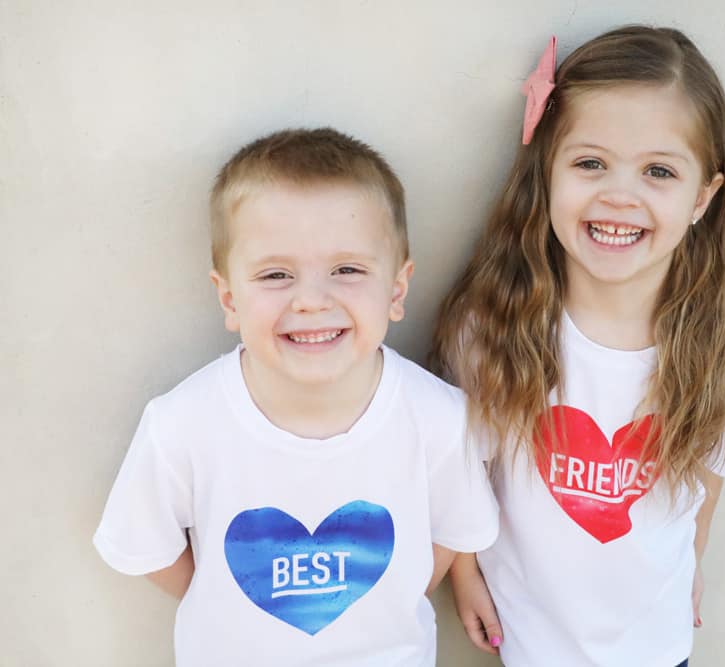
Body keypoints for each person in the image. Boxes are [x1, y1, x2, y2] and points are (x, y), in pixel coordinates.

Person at [94, 127, 498, 666]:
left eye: (347, 270)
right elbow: (148, 549)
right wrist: (227, 604)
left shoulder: (440, 419)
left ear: (397, 291)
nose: (311, 300)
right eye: (276, 274)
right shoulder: (183, 424)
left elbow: (452, 531)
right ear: (229, 297)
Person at [432, 26, 725, 667]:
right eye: (591, 163)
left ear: (703, 197)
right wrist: (464, 573)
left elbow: (709, 474)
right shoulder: (494, 326)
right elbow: (460, 471)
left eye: (659, 171)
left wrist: (690, 564)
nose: (620, 195)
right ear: (548, 171)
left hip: (659, 645)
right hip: (531, 642)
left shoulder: (721, 344)